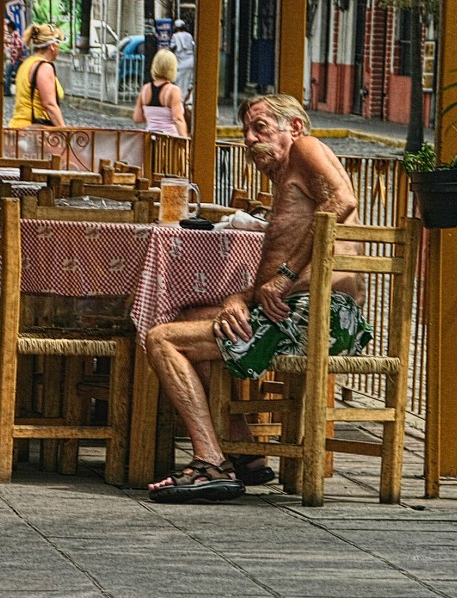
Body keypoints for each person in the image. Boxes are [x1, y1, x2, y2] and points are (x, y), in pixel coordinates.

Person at [145, 94, 368, 503]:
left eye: (261, 127)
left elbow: (342, 200)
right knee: (197, 314)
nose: (250, 138)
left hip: (317, 316)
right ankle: (245, 452)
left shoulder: (306, 148)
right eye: (247, 130)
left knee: (161, 338)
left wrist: (281, 278)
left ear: (295, 127)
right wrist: (240, 297)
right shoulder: (289, 173)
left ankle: (209, 462)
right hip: (304, 309)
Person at [8, 23, 65, 128]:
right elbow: (49, 105)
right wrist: (64, 132)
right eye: (58, 45)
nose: (59, 49)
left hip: (19, 127)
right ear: (52, 46)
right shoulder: (44, 67)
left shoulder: (27, 63)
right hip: (34, 131)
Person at [132, 48, 187, 137]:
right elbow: (178, 119)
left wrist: (154, 116)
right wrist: (185, 140)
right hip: (169, 140)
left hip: (149, 139)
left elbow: (137, 118)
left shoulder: (145, 89)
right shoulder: (173, 90)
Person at [170, 19, 194, 99]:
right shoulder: (189, 35)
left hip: (181, 63)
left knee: (179, 84)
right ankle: (188, 100)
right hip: (191, 61)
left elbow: (172, 47)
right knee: (189, 83)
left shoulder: (175, 36)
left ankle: (181, 100)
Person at [3, 18, 22, 97]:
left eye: (8, 28)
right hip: (12, 59)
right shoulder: (11, 35)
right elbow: (8, 41)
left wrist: (17, 57)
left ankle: (18, 91)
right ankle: (7, 91)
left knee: (17, 76)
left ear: (11, 28)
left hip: (16, 59)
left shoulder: (15, 34)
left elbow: (19, 46)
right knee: (8, 74)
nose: (7, 30)